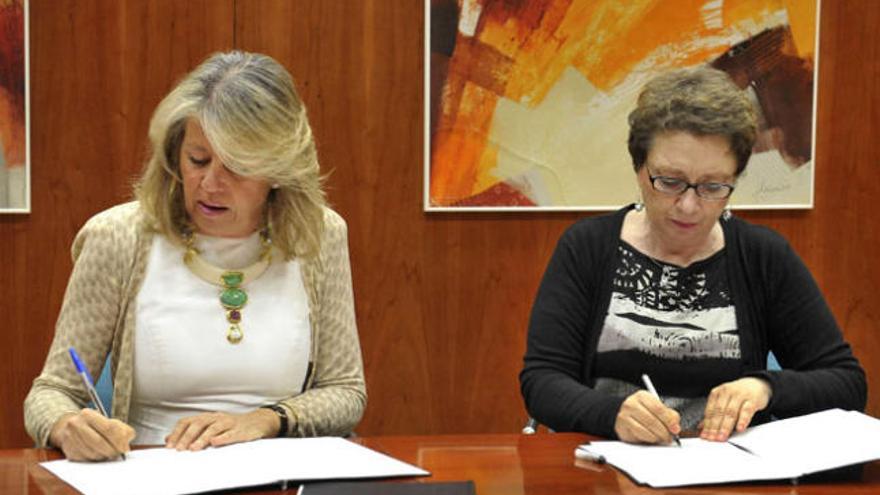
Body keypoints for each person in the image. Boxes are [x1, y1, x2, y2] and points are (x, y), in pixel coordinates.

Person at [24, 51, 366, 461]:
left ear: (279, 170)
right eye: (197, 160)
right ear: (175, 154)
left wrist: (267, 419)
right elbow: (51, 393)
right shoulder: (117, 238)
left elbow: (346, 392)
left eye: (237, 167)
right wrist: (66, 426)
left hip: (281, 475)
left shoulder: (320, 236)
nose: (211, 184)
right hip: (155, 474)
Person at [520, 66, 865, 445]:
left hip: (729, 477)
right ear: (639, 169)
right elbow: (543, 380)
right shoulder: (587, 247)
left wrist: (764, 387)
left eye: (713, 186)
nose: (688, 206)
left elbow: (846, 383)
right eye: (669, 182)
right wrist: (613, 414)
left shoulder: (763, 256)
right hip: (606, 469)